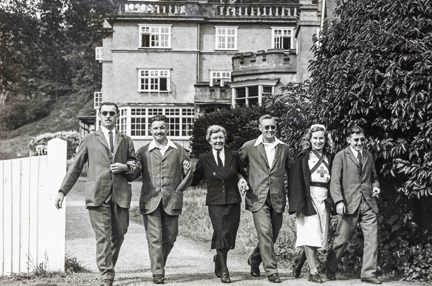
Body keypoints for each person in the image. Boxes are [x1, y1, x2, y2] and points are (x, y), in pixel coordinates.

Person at [54, 102, 139, 286]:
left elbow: (135, 167)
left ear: (117, 116)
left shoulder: (125, 140)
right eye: (105, 113)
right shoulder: (90, 139)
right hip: (97, 195)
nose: (108, 116)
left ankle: (108, 267)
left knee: (119, 234)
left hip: (121, 195)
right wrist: (62, 191)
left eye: (112, 113)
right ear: (99, 116)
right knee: (103, 237)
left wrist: (126, 167)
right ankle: (106, 274)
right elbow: (75, 167)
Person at [136, 115, 191, 284]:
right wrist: (128, 167)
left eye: (162, 127)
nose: (159, 131)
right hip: (150, 201)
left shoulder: (180, 150)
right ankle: (158, 272)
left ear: (167, 129)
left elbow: (189, 176)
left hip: (172, 200)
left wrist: (180, 187)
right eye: (155, 128)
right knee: (155, 238)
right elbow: (135, 174)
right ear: (150, 130)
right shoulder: (143, 151)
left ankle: (158, 264)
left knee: (171, 237)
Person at [190, 125, 248, 283]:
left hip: (233, 200)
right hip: (215, 201)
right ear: (209, 140)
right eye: (214, 138)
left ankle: (218, 258)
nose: (218, 141)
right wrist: (187, 171)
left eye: (221, 137)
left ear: (225, 138)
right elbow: (195, 180)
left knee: (229, 234)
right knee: (221, 232)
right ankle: (224, 269)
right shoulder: (204, 158)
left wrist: (242, 180)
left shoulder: (234, 155)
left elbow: (241, 172)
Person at [326, 125, 381, 284]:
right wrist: (339, 201)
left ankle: (368, 274)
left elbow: (374, 177)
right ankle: (330, 268)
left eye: (362, 139)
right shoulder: (340, 156)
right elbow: (334, 182)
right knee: (341, 240)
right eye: (356, 140)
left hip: (368, 203)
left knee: (372, 239)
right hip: (349, 204)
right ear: (349, 139)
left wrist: (376, 187)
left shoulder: (368, 155)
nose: (359, 143)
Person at [239, 114, 290, 283]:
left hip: (277, 198)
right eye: (266, 127)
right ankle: (272, 271)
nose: (269, 130)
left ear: (276, 128)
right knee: (265, 232)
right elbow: (237, 166)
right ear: (260, 128)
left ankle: (254, 259)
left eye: (272, 127)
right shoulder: (249, 146)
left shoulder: (284, 148)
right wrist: (242, 179)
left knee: (272, 235)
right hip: (257, 197)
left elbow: (292, 171)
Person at [288, 124, 334, 283]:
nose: (318, 141)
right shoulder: (302, 157)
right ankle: (313, 272)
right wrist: (296, 205)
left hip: (323, 198)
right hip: (308, 198)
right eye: (315, 138)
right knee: (309, 234)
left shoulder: (330, 157)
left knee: (319, 237)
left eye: (321, 138)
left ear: (325, 139)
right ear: (310, 139)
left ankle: (299, 262)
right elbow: (295, 183)